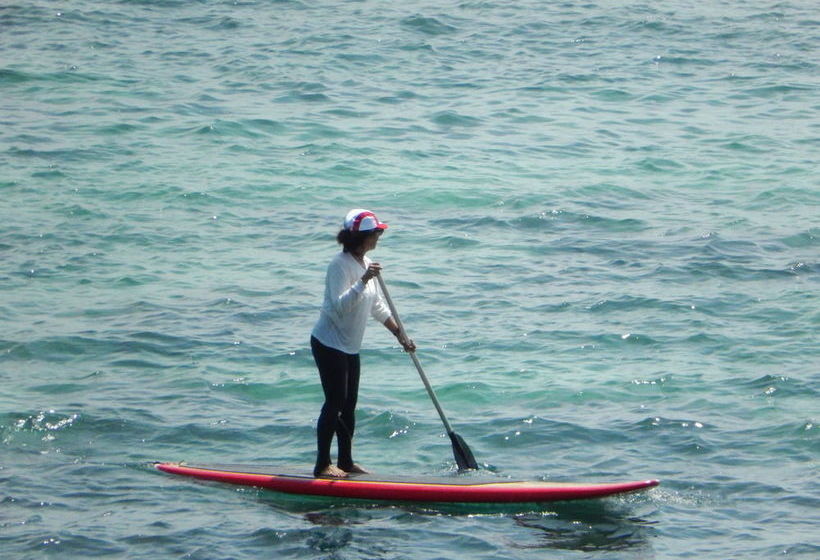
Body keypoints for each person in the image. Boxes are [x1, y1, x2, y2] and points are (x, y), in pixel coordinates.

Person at [310, 209, 416, 478]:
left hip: (350, 346)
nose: (380, 237)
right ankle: (322, 464)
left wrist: (399, 334)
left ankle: (345, 461)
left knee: (349, 405)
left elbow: (378, 306)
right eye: (377, 233)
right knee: (334, 402)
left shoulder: (364, 262)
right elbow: (339, 308)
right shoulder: (339, 265)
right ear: (364, 237)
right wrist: (364, 280)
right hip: (328, 342)